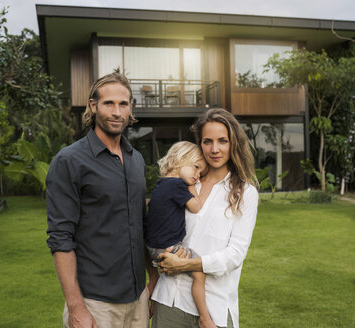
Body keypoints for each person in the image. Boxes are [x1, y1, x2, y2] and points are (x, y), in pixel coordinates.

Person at [46, 72, 158, 328]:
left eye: (123, 104)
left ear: (131, 109)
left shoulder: (136, 159)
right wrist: (76, 307)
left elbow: (141, 225)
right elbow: (60, 238)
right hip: (95, 303)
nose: (117, 112)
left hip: (138, 297)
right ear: (93, 106)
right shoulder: (69, 161)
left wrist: (153, 276)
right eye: (109, 104)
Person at [151, 108, 259, 328]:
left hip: (213, 308)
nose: (215, 149)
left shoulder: (245, 193)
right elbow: (157, 227)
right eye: (207, 141)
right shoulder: (185, 183)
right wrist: (158, 267)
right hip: (171, 300)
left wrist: (185, 264)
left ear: (233, 144)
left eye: (223, 141)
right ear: (199, 144)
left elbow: (234, 255)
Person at [144, 141, 214, 325]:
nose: (197, 176)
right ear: (180, 160)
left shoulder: (161, 184)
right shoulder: (178, 186)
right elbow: (196, 207)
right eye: (196, 168)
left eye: (200, 174)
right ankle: (204, 317)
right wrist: (192, 188)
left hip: (153, 247)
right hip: (169, 247)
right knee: (199, 272)